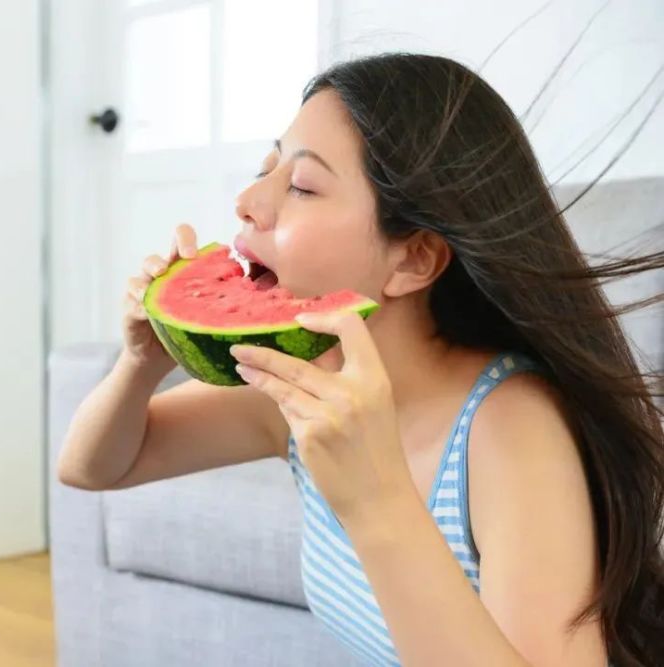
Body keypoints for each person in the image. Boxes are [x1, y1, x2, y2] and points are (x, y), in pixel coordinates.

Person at [57, 53, 664, 667]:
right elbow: (93, 468)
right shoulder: (296, 396)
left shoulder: (507, 427)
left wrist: (374, 498)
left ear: (413, 261)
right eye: (266, 169)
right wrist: (140, 364)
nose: (246, 201)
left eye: (301, 185)